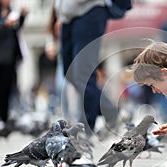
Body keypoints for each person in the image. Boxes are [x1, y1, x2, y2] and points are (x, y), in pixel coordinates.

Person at [55, 0, 131, 135]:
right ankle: (113, 113)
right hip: (69, 16)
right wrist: (62, 14)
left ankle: (86, 127)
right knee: (70, 73)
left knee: (83, 75)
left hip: (89, 11)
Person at [0, 0, 28, 129]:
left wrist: (22, 17)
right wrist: (4, 25)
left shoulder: (11, 11)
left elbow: (16, 29)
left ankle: (4, 118)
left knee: (8, 88)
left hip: (11, 57)